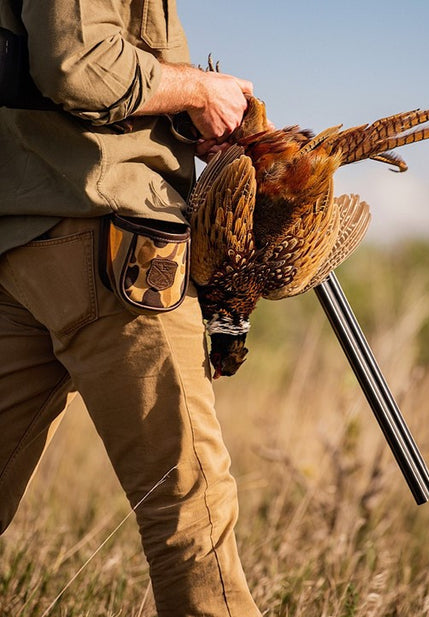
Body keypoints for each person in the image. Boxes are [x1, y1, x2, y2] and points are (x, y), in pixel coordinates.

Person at [0, 1, 261, 615]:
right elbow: (78, 61)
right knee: (192, 520)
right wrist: (198, 89)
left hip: (19, 241)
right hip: (112, 243)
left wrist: (184, 106)